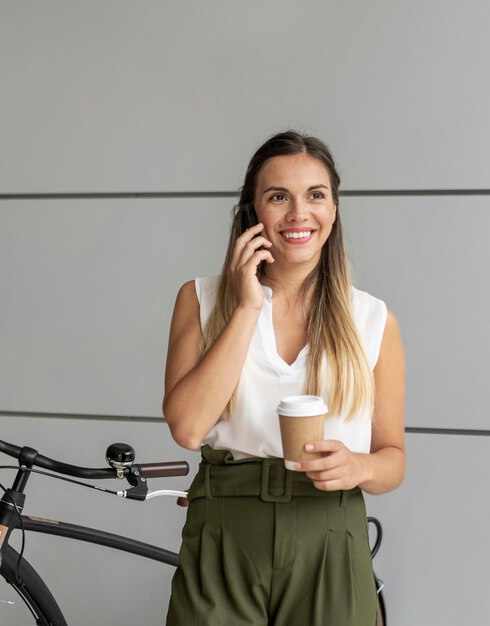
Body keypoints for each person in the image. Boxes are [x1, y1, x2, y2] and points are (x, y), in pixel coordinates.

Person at [162, 130, 405, 626]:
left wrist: (358, 467)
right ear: (252, 213)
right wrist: (247, 306)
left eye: (315, 195)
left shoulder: (373, 319)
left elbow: (392, 460)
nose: (298, 214)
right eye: (278, 197)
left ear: (334, 210)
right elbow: (187, 429)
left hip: (329, 528)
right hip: (225, 524)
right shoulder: (200, 300)